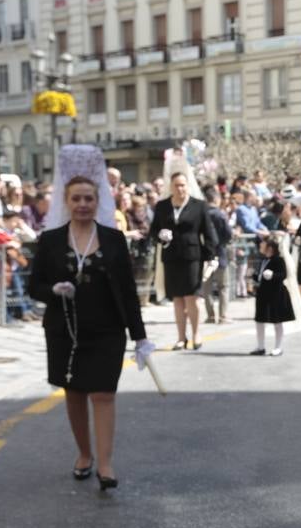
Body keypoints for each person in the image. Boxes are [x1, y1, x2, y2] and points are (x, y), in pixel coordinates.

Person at [29, 148, 152, 491]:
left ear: (98, 201)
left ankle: (107, 464)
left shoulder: (113, 239)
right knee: (74, 393)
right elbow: (33, 286)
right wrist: (54, 289)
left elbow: (127, 291)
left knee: (103, 394)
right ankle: (84, 454)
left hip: (108, 329)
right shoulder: (51, 240)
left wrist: (140, 337)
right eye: (76, 199)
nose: (83, 204)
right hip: (64, 330)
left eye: (88, 198)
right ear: (66, 201)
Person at [150, 167, 217, 350]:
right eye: (176, 186)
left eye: (183, 185)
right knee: (178, 298)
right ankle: (181, 337)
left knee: (192, 297)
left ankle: (196, 333)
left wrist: (211, 256)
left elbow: (208, 232)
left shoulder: (199, 205)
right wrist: (160, 235)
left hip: (193, 256)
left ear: (188, 186)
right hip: (171, 256)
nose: (180, 189)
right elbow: (153, 230)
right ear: (171, 187)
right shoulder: (162, 206)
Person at [250, 233, 294, 356]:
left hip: (276, 294)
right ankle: (260, 346)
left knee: (277, 321)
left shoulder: (279, 260)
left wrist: (273, 275)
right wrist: (254, 276)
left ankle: (278, 347)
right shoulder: (263, 260)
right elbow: (260, 276)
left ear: (271, 247)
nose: (261, 245)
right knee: (259, 320)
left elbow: (283, 275)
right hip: (263, 294)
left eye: (264, 244)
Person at [200, 186, 234, 325]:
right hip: (220, 253)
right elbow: (228, 234)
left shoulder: (201, 214)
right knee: (223, 286)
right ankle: (223, 315)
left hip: (205, 255)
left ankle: (211, 315)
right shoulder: (220, 215)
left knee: (207, 287)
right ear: (216, 199)